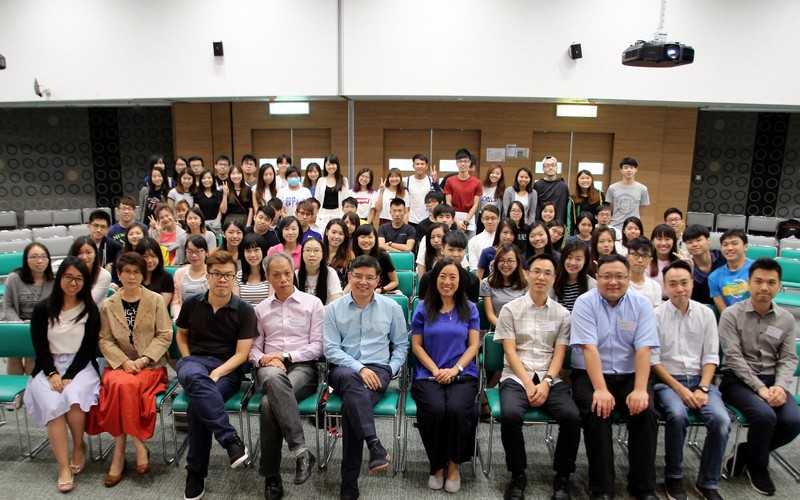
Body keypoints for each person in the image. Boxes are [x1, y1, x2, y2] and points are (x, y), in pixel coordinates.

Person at [569, 254, 660, 500]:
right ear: (596, 278)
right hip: (590, 374)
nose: (613, 282)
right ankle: (602, 486)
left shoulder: (641, 305)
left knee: (646, 411)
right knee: (597, 411)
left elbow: (644, 350)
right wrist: (600, 388)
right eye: (606, 276)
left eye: (620, 276)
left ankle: (643, 486)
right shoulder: (585, 302)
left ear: (629, 278)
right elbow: (589, 348)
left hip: (631, 374)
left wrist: (641, 389)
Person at [322, 255, 410, 500]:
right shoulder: (333, 308)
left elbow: (401, 345)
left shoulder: (392, 307)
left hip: (380, 369)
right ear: (349, 277)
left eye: (369, 277)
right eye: (357, 276)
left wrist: (390, 370)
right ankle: (374, 444)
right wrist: (359, 368)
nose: (363, 282)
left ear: (378, 280)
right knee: (352, 382)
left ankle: (349, 482)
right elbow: (330, 349)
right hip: (344, 368)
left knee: (352, 406)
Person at [496, 253, 580, 500]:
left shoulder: (562, 314)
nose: (541, 277)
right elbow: (509, 351)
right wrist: (527, 382)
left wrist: (545, 382)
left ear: (554, 278)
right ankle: (517, 474)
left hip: (548, 377)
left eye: (547, 273)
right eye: (536, 271)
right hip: (515, 376)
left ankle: (563, 476)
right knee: (510, 416)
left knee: (572, 417)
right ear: (527, 274)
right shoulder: (510, 309)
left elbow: (559, 354)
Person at [175, 250, 256, 500]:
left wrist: (218, 372)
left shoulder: (244, 310)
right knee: (198, 382)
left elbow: (242, 354)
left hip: (227, 369)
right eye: (217, 275)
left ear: (234, 278)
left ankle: (196, 472)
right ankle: (229, 438)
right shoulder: (191, 303)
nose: (222, 280)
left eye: (228, 275)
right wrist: (187, 358)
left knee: (200, 406)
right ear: (207, 276)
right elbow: (181, 334)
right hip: (194, 363)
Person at [718, 258, 800, 496]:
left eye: (771, 282)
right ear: (748, 284)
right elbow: (733, 357)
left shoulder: (785, 319)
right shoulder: (732, 315)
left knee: (794, 421)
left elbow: (787, 359)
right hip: (737, 381)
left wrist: (781, 387)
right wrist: (759, 389)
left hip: (773, 381)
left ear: (779, 285)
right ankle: (758, 467)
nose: (765, 287)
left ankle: (746, 452)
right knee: (764, 415)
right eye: (759, 281)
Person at [91, 252, 172, 487]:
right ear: (119, 274)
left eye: (137, 272)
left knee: (121, 386)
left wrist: (144, 359)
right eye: (127, 272)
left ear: (143, 275)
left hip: (150, 365)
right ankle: (137, 447)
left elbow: (165, 334)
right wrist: (122, 361)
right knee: (118, 383)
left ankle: (119, 455)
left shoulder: (155, 299)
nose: (132, 276)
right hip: (120, 365)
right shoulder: (109, 304)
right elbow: (105, 339)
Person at [651, 260, 729, 500]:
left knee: (721, 419)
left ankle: (707, 481)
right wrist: (680, 390)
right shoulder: (655, 315)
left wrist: (703, 387)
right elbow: (654, 361)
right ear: (665, 286)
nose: (679, 289)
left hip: (700, 381)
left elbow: (711, 356)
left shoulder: (706, 314)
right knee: (677, 415)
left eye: (684, 283)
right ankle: (673, 477)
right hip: (667, 382)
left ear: (692, 283)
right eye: (672, 284)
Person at [23, 256, 101, 493]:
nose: (73, 283)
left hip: (80, 366)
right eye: (68, 277)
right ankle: (64, 466)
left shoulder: (90, 309)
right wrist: (52, 373)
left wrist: (69, 374)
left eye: (79, 279)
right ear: (60, 278)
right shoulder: (43, 308)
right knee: (53, 407)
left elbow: (88, 348)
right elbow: (40, 346)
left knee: (74, 398)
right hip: (49, 366)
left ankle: (78, 445)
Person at [251, 252, 324, 499]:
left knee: (267, 404)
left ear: (293, 271)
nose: (283, 279)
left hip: (302, 366)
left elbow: (318, 346)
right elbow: (254, 347)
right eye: (276, 275)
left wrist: (285, 356)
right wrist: (262, 359)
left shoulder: (313, 304)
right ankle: (302, 452)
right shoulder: (260, 309)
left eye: (286, 273)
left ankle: (271, 476)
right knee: (271, 377)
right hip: (270, 367)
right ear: (267, 277)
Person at [411, 258, 480, 492]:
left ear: (460, 281)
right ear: (435, 279)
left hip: (463, 373)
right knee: (435, 410)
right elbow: (417, 345)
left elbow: (473, 346)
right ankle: (437, 464)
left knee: (459, 410)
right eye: (442, 276)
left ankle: (453, 464)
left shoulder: (470, 308)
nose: (447, 282)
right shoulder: (422, 307)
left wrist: (455, 369)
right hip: (428, 373)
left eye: (453, 277)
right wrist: (435, 369)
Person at [4, 242, 55, 375]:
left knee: (32, 357)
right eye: (34, 257)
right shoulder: (13, 278)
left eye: (44, 257)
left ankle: (29, 390)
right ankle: (14, 390)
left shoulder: (53, 281)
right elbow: (8, 307)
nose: (40, 261)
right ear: (26, 260)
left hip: (42, 326)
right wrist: (20, 325)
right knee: (14, 356)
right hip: (17, 324)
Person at [418, 232, 480, 303]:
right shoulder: (427, 278)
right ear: (442, 250)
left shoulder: (472, 280)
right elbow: (422, 309)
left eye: (460, 250)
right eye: (451, 250)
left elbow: (471, 311)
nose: (455, 254)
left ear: (465, 252)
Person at [480, 244, 527, 328]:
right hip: (498, 328)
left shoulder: (526, 283)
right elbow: (490, 315)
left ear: (517, 263)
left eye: (510, 261)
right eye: (501, 260)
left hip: (522, 328)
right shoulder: (487, 283)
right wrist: (507, 329)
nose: (505, 264)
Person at [708, 229, 752, 313]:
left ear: (745, 247)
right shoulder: (714, 277)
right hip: (731, 321)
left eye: (734, 244)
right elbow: (724, 312)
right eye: (725, 245)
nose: (729, 248)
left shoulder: (758, 269)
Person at [349, 223, 399, 295]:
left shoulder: (383, 256)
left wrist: (381, 290)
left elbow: (395, 282)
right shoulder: (352, 256)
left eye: (370, 237)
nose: (366, 240)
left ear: (375, 239)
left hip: (381, 294)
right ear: (356, 239)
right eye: (363, 237)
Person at [682, 224, 726, 305]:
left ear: (708, 240)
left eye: (698, 240)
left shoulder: (722, 257)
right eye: (690, 242)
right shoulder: (686, 267)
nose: (694, 244)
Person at [606, 157, 650, 236]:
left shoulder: (643, 189)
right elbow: (610, 208)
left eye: (632, 167)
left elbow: (641, 209)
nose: (629, 170)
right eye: (626, 167)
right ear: (621, 170)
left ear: (636, 169)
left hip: (633, 228)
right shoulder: (612, 188)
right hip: (615, 226)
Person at [443, 149, 482, 236]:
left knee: (470, 246)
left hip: (470, 217)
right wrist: (456, 221)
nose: (463, 164)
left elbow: (476, 204)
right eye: (460, 161)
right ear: (456, 163)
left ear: (469, 163)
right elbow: (448, 203)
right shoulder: (450, 181)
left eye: (465, 161)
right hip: (453, 216)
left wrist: (466, 221)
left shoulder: (477, 182)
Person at [171, 235, 209, 320]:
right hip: (184, 317)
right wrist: (179, 318)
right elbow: (176, 302)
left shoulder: (212, 273)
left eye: (198, 251)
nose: (194, 255)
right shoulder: (179, 273)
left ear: (206, 252)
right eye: (190, 252)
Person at [297, 237, 343, 306]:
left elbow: (338, 302)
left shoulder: (330, 273)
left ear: (322, 254)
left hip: (325, 314)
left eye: (316, 250)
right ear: (302, 254)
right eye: (308, 250)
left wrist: (317, 311)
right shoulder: (296, 274)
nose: (312, 254)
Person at [551, 239, 595, 312]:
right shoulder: (553, 282)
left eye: (578, 259)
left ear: (585, 261)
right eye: (569, 257)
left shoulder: (591, 284)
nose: (572, 263)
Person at [69, 236, 112, 304]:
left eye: (88, 252)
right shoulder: (69, 273)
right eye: (80, 253)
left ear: (95, 253)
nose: (84, 257)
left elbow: (90, 302)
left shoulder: (104, 275)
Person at [134, 237, 175, 307]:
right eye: (144, 256)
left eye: (153, 256)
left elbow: (161, 307)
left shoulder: (166, 278)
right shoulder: (132, 276)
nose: (149, 260)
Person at [404, 153, 441, 229]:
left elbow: (440, 196)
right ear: (413, 166)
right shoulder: (406, 181)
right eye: (417, 164)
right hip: (411, 220)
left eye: (422, 164)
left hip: (428, 219)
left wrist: (435, 182)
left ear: (426, 166)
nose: (420, 166)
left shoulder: (431, 180)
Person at [314, 154, 349, 228]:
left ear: (337, 165)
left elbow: (346, 199)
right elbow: (316, 199)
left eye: (333, 164)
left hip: (338, 213)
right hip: (322, 214)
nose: (331, 167)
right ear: (325, 165)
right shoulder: (321, 180)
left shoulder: (343, 180)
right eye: (328, 164)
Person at [236, 233, 271, 306]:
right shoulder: (238, 276)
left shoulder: (271, 275)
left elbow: (271, 304)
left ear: (263, 251)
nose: (252, 255)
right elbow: (237, 305)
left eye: (256, 250)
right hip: (244, 316)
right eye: (248, 250)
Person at [566, 169, 605, 236]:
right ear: (577, 180)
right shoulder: (572, 199)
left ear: (591, 180)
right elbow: (569, 221)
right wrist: (570, 237)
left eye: (587, 178)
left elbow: (605, 213)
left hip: (597, 233)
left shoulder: (600, 195)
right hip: (580, 234)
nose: (585, 180)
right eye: (582, 178)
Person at [627, 237, 663, 308]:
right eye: (636, 255)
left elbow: (655, 314)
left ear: (650, 260)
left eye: (645, 256)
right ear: (627, 256)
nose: (640, 260)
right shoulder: (620, 284)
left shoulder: (655, 287)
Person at [534, 156, 570, 224]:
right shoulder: (538, 185)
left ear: (557, 168)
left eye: (553, 165)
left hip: (558, 225)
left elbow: (566, 207)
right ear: (543, 168)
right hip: (541, 224)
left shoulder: (563, 186)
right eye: (547, 165)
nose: (550, 168)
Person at [649, 224, 680, 298]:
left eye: (667, 239)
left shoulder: (680, 262)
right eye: (659, 239)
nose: (663, 243)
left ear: (673, 241)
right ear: (653, 241)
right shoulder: (647, 262)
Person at [467, 205, 500, 271]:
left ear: (498, 219)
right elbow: (473, 266)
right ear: (482, 219)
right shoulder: (473, 241)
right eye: (486, 218)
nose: (490, 222)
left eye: (493, 218)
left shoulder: (504, 240)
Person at [324, 218, 354, 289]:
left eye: (341, 234)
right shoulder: (318, 251)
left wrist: (340, 297)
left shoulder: (349, 255)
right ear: (327, 232)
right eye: (334, 232)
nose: (337, 237)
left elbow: (352, 281)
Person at [195, 170, 226, 235]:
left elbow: (221, 211)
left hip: (215, 224)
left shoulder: (218, 194)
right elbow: (197, 210)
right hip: (202, 224)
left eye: (209, 178)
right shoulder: (197, 194)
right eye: (204, 178)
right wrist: (203, 223)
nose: (206, 180)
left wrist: (217, 222)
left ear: (213, 179)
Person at [477, 164, 505, 231]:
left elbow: (503, 210)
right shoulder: (481, 187)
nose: (494, 175)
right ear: (489, 174)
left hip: (494, 219)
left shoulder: (502, 190)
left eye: (497, 174)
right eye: (492, 173)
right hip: (481, 218)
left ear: (501, 176)